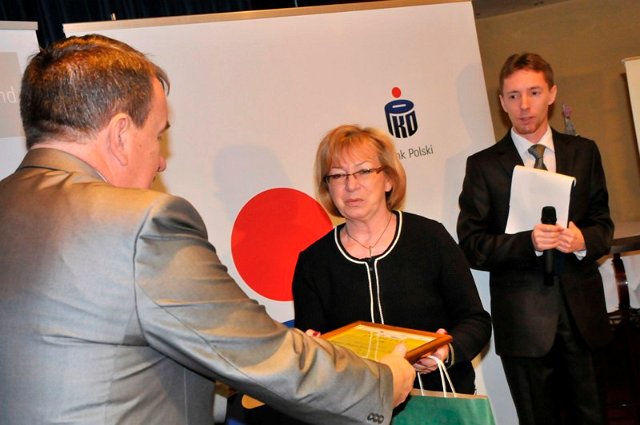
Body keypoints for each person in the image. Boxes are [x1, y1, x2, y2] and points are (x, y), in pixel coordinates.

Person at [0, 34, 416, 425]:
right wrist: (380, 383)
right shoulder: (141, 223)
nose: (161, 161)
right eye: (157, 136)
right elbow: (260, 352)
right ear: (121, 134)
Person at [457, 53, 613, 425]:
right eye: (513, 96)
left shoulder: (584, 152)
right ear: (501, 102)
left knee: (594, 417)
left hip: (583, 318)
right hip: (523, 323)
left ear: (552, 94)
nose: (524, 105)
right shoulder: (483, 165)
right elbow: (473, 245)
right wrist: (528, 242)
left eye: (533, 92)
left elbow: (603, 226)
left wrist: (582, 240)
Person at [292, 124, 492, 394]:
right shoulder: (313, 262)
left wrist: (446, 351)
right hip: (361, 406)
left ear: (388, 179)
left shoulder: (430, 238)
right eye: (338, 175)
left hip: (441, 401)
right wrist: (311, 351)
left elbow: (476, 322)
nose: (351, 185)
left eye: (363, 171)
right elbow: (311, 350)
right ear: (327, 187)